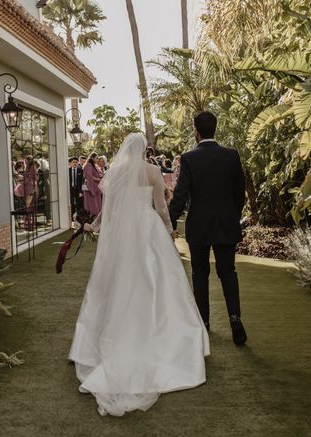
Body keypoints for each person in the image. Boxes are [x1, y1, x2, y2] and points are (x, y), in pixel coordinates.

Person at [69, 133, 209, 417]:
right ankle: (161, 338)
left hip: (122, 233)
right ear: (144, 149)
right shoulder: (153, 170)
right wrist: (170, 230)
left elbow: (106, 212)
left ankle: (104, 341)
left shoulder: (116, 172)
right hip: (147, 231)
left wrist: (91, 228)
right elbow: (160, 208)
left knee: (116, 283)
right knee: (156, 282)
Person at [169, 111, 247, 345]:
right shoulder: (231, 156)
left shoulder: (189, 158)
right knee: (228, 272)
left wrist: (169, 221)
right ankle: (235, 319)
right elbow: (239, 192)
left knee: (200, 273)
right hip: (226, 223)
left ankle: (203, 323)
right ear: (215, 128)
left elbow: (181, 195)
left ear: (196, 130)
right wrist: (234, 215)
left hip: (199, 226)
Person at [23, 156, 38, 230]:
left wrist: (25, 180)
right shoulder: (29, 167)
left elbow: (35, 177)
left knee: (29, 207)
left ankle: (30, 225)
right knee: (29, 207)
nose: (25, 162)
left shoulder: (32, 167)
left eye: (25, 161)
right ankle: (29, 224)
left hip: (31, 188)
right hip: (29, 188)